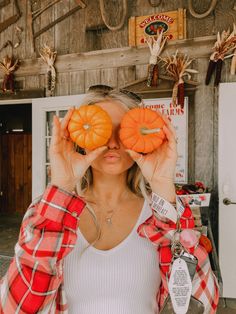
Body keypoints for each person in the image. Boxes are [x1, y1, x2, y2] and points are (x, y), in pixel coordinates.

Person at [0, 86, 218, 313]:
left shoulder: (164, 214)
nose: (113, 143)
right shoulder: (49, 213)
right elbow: (13, 308)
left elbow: (202, 304)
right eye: (101, 129)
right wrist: (62, 186)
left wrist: (163, 185)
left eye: (124, 130)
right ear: (79, 137)